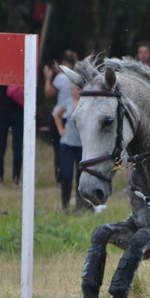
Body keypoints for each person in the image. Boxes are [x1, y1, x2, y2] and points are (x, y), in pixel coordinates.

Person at [44, 51, 77, 184]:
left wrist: (47, 77)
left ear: (63, 62)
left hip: (60, 115)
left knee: (59, 150)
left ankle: (60, 179)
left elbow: (48, 93)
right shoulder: (76, 77)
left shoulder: (60, 78)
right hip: (72, 114)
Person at [0, 79, 24, 187]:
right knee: (17, 147)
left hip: (2, 112)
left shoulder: (0, 72)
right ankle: (16, 179)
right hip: (18, 113)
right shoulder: (21, 72)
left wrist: (0, 94)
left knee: (0, 147)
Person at [54, 83, 83, 211]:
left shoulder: (87, 103)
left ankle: (80, 204)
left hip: (82, 145)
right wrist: (60, 129)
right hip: (67, 144)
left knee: (81, 176)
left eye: (72, 89)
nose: (71, 91)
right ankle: (65, 205)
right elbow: (57, 115)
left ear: (80, 90)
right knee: (67, 175)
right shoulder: (68, 102)